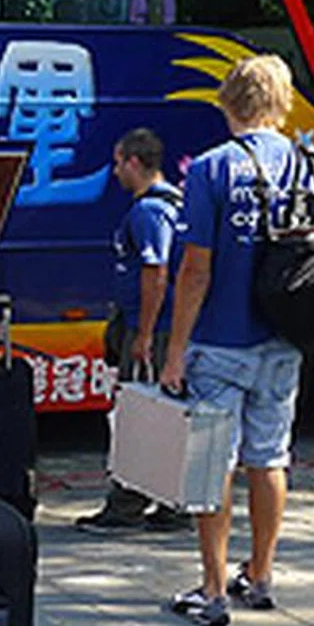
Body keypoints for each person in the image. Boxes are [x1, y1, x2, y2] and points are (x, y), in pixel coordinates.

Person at [160, 55, 314, 626]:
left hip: (221, 342)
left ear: (228, 102)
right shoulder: (313, 164)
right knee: (270, 459)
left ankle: (213, 589)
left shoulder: (211, 169)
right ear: (282, 103)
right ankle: (262, 574)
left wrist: (174, 349)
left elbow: (195, 268)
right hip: (284, 339)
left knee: (213, 466)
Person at [78, 127, 190, 533]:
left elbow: (155, 272)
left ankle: (125, 508)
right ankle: (172, 505)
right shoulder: (175, 203)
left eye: (118, 162)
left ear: (134, 163)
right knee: (164, 416)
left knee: (136, 417)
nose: (114, 172)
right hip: (165, 328)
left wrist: (141, 334)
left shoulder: (148, 211)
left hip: (153, 332)